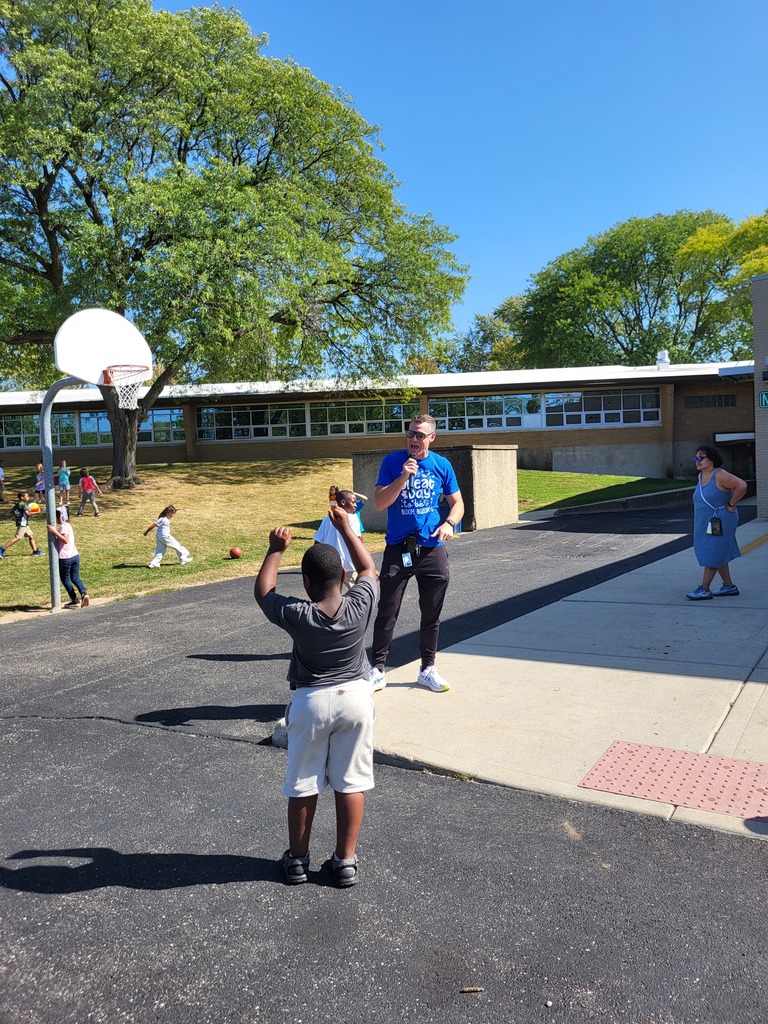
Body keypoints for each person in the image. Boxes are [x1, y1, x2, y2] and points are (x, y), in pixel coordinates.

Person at [254, 506, 377, 888]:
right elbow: (369, 570)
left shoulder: (299, 614)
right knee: (351, 781)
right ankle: (345, 862)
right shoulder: (360, 604)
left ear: (306, 583)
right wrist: (346, 529)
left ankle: (297, 861)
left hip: (311, 703)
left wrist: (275, 549)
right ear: (343, 576)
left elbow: (264, 592)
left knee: (304, 783)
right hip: (356, 698)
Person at [369, 414, 464, 694]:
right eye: (410, 433)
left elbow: (457, 503)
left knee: (431, 612)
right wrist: (403, 476)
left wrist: (449, 523)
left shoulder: (441, 465)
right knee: (387, 609)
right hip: (399, 549)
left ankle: (427, 668)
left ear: (432, 438)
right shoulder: (392, 462)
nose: (413, 439)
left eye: (420, 435)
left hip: (432, 547)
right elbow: (379, 503)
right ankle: (377, 669)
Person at [687, 445, 747, 601]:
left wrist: (731, 504)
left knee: (713, 550)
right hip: (706, 522)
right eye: (696, 458)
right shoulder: (701, 477)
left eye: (701, 458)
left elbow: (742, 485)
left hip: (721, 520)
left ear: (711, 459)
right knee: (718, 551)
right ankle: (729, 586)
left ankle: (704, 589)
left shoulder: (720, 475)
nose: (697, 461)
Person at [313, 489, 364, 594]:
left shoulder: (326, 519)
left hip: (331, 566)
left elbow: (317, 542)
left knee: (332, 595)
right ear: (343, 502)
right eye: (353, 502)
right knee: (360, 594)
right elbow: (358, 541)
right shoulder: (353, 518)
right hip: (349, 565)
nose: (355, 505)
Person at [47, 507, 90, 609]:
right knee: (75, 577)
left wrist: (54, 531)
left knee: (65, 579)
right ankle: (84, 593)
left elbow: (65, 540)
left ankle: (74, 599)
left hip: (65, 557)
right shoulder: (69, 525)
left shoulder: (62, 527)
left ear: (59, 517)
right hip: (74, 555)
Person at [0, 491, 43, 559]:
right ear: (22, 497)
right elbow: (28, 514)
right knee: (18, 538)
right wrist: (37, 512)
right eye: (27, 496)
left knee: (31, 536)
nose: (28, 497)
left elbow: (12, 512)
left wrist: (18, 515)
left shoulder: (17, 505)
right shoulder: (23, 505)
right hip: (23, 524)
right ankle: (2, 549)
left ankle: (35, 551)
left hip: (24, 524)